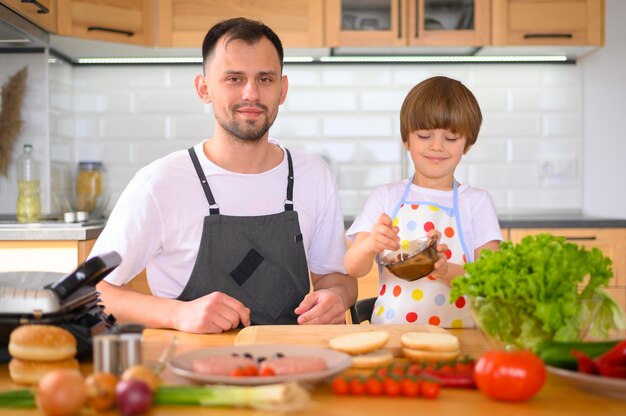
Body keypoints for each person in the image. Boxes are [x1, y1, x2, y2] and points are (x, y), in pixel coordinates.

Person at [89, 17, 357, 334]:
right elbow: (90, 293)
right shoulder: (160, 183)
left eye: (265, 79)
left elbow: (337, 278)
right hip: (189, 373)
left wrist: (336, 296)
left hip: (289, 367)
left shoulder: (313, 175)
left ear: (282, 90)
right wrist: (178, 314)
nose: (251, 94)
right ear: (204, 88)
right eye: (233, 78)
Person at [344, 76, 502, 327]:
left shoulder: (477, 203)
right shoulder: (386, 197)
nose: (437, 146)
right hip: (391, 336)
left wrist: (447, 271)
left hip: (458, 339)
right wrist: (371, 244)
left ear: (467, 145)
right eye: (425, 135)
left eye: (450, 138)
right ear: (407, 140)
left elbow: (492, 281)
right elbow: (353, 267)